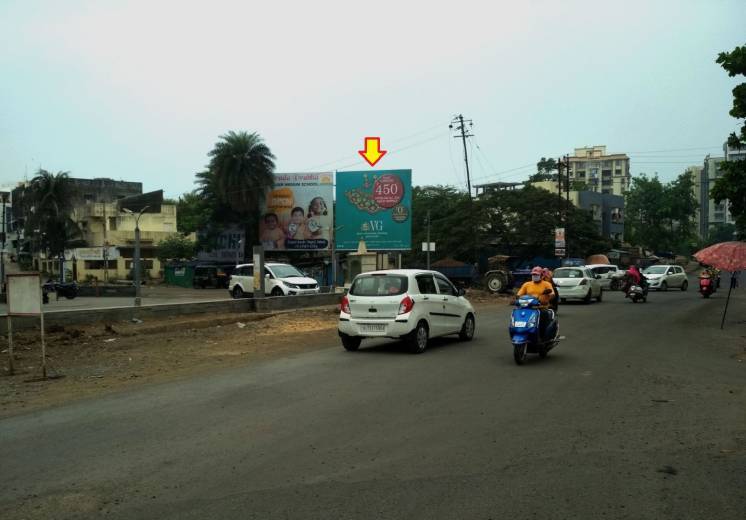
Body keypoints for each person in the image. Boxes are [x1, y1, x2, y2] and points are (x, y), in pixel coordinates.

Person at [515, 266, 555, 339]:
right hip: (528, 307)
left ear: (541, 275)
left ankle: (543, 337)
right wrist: (517, 299)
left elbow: (552, 294)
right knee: (519, 315)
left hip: (541, 308)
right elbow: (519, 295)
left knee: (543, 318)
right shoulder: (527, 284)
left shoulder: (546, 284)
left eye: (536, 275)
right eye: (533, 274)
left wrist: (548, 296)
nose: (534, 276)